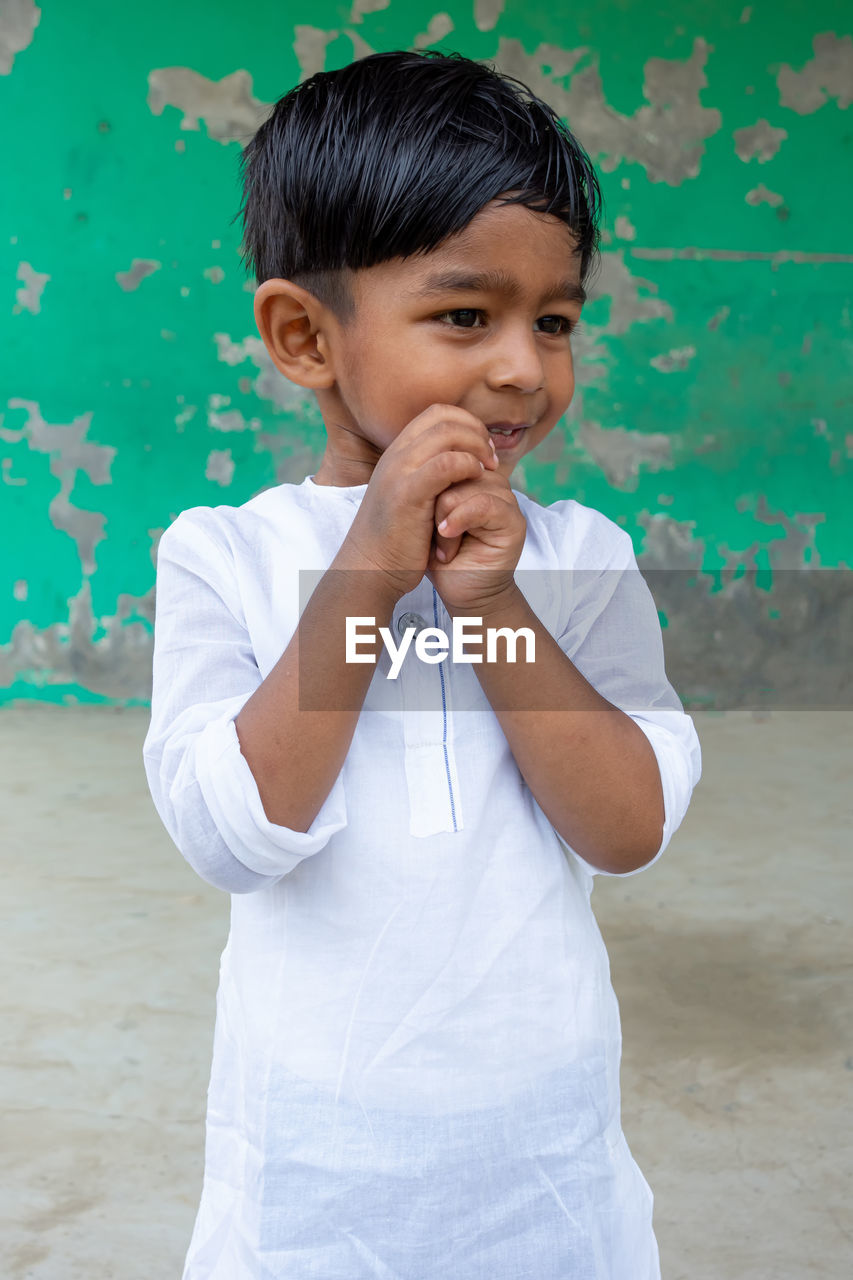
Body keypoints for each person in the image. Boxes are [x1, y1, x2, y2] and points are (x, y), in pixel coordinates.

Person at [143, 47, 702, 1280]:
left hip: (550, 1184)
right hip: (312, 1193)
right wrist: (368, 571)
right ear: (303, 335)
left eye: (552, 321)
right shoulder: (221, 557)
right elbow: (231, 830)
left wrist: (494, 602)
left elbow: (627, 824)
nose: (521, 367)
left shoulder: (581, 556)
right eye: (466, 314)